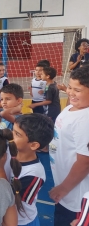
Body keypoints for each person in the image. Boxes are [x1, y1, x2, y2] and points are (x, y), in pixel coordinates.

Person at [49, 67, 89, 226]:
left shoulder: (85, 120)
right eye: (70, 87)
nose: (71, 92)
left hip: (75, 197)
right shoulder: (71, 108)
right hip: (66, 190)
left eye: (77, 90)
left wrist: (63, 189)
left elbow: (85, 162)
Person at [12, 114, 54, 226]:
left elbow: (11, 202)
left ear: (34, 145)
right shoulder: (9, 152)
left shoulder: (35, 174)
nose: (11, 136)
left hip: (21, 222)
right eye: (13, 131)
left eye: (17, 134)